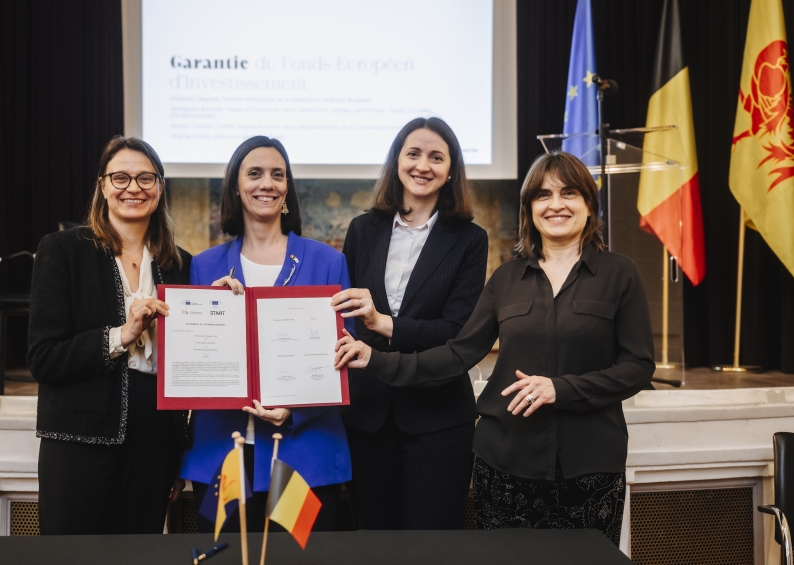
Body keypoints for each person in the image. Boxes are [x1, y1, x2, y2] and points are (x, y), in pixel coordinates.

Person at [335, 150, 655, 545]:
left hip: (590, 464)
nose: (555, 205)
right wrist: (376, 359)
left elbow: (639, 365)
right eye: (543, 195)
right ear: (529, 210)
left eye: (569, 193)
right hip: (504, 464)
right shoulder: (506, 279)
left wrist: (562, 388)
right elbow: (457, 354)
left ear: (589, 204)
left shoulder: (621, 274)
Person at [180, 136, 352, 533]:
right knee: (221, 558)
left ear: (287, 187)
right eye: (254, 173)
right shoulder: (204, 268)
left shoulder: (328, 263)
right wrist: (205, 314)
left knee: (297, 561)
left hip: (302, 458)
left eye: (278, 174)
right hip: (223, 458)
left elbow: (346, 360)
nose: (267, 183)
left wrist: (297, 410)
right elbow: (192, 359)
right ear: (236, 186)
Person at [330, 117, 488, 530]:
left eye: (437, 157)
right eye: (413, 153)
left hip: (438, 417)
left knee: (432, 546)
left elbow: (456, 331)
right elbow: (344, 319)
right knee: (374, 542)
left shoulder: (470, 239)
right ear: (396, 161)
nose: (423, 165)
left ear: (451, 170)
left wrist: (383, 323)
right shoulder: (363, 229)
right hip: (367, 414)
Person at [28, 136, 191, 534]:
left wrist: (219, 306)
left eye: (145, 178)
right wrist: (121, 334)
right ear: (102, 186)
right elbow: (44, 358)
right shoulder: (62, 251)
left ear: (160, 187)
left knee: (139, 557)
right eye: (120, 177)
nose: (133, 188)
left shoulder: (181, 264)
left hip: (154, 443)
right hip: (78, 438)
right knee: (71, 558)